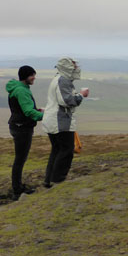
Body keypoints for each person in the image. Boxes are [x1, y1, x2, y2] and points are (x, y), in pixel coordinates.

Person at [42, 57, 88, 186]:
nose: (76, 68)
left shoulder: (57, 79)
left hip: (54, 120)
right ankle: (58, 180)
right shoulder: (63, 81)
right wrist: (81, 95)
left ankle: (49, 180)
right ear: (67, 67)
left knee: (57, 150)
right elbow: (67, 101)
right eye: (73, 65)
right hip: (60, 122)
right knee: (66, 150)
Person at [6, 65, 44, 199]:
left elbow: (24, 108)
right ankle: (17, 190)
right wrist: (45, 116)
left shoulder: (19, 88)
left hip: (18, 125)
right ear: (25, 76)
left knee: (20, 159)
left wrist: (37, 111)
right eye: (32, 75)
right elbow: (28, 111)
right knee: (20, 159)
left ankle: (18, 187)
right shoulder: (22, 91)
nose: (34, 77)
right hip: (22, 128)